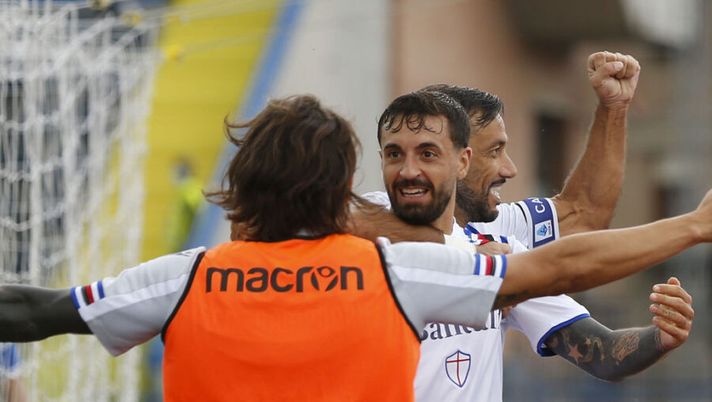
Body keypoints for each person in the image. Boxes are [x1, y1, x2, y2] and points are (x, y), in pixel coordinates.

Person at [0, 95, 710, 402]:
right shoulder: (393, 272)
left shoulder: (184, 280)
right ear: (342, 184)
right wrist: (691, 227)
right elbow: (557, 264)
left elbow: (33, 313)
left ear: (243, 184)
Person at [363, 86, 694, 401]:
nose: (409, 170)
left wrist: (661, 338)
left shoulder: (501, 247)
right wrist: (463, 262)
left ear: (461, 161)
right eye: (394, 154)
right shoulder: (358, 232)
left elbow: (602, 350)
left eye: (427, 154)